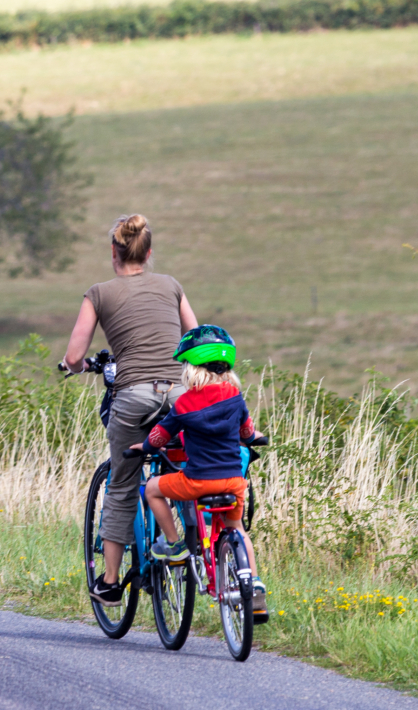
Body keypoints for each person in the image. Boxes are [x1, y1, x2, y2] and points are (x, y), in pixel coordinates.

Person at [61, 214, 200, 607]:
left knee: (122, 484)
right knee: (182, 466)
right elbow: (195, 340)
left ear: (114, 252)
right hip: (179, 395)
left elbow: (73, 356)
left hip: (133, 398)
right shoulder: (171, 286)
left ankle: (109, 582)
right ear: (148, 252)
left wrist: (78, 367)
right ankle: (186, 540)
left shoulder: (98, 293)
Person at [133, 325, 269, 615]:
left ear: (192, 368)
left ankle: (174, 546)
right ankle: (255, 585)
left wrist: (143, 446)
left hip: (197, 483)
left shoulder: (184, 403)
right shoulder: (235, 396)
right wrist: (253, 437)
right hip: (234, 483)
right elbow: (247, 432)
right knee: (237, 528)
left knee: (152, 489)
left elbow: (159, 437)